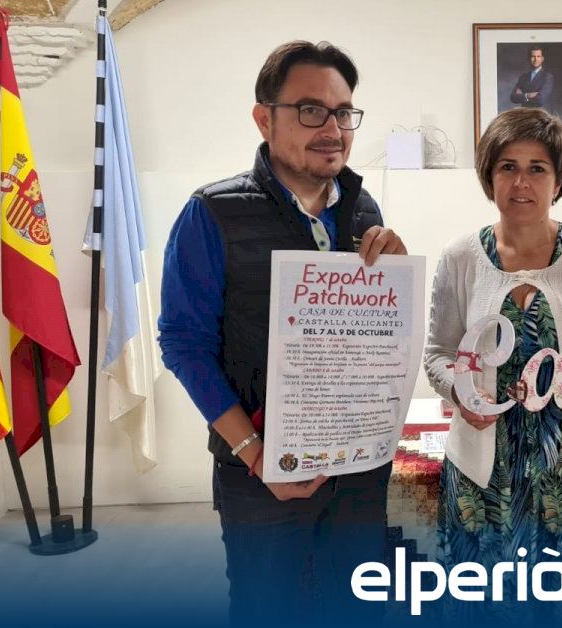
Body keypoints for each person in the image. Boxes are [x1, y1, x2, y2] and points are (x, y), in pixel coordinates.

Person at [157, 41, 406, 624]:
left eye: (343, 112)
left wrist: (394, 274)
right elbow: (184, 344)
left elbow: (366, 339)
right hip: (260, 472)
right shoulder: (213, 213)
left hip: (356, 469)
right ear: (264, 118)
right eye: (311, 110)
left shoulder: (363, 209)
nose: (333, 129)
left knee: (356, 608)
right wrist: (254, 453)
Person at [424, 107, 562, 619]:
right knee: (483, 607)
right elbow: (437, 354)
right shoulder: (461, 257)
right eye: (508, 167)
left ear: (558, 180)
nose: (521, 182)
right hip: (483, 474)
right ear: (489, 176)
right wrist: (459, 392)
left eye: (537, 168)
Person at [509, 46, 554, 110]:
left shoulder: (547, 77)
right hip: (524, 113)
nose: (536, 59)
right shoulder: (523, 77)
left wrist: (522, 96)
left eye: (538, 56)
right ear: (529, 58)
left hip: (540, 113)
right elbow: (513, 97)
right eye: (533, 56)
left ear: (542, 59)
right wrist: (528, 95)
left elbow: (541, 100)